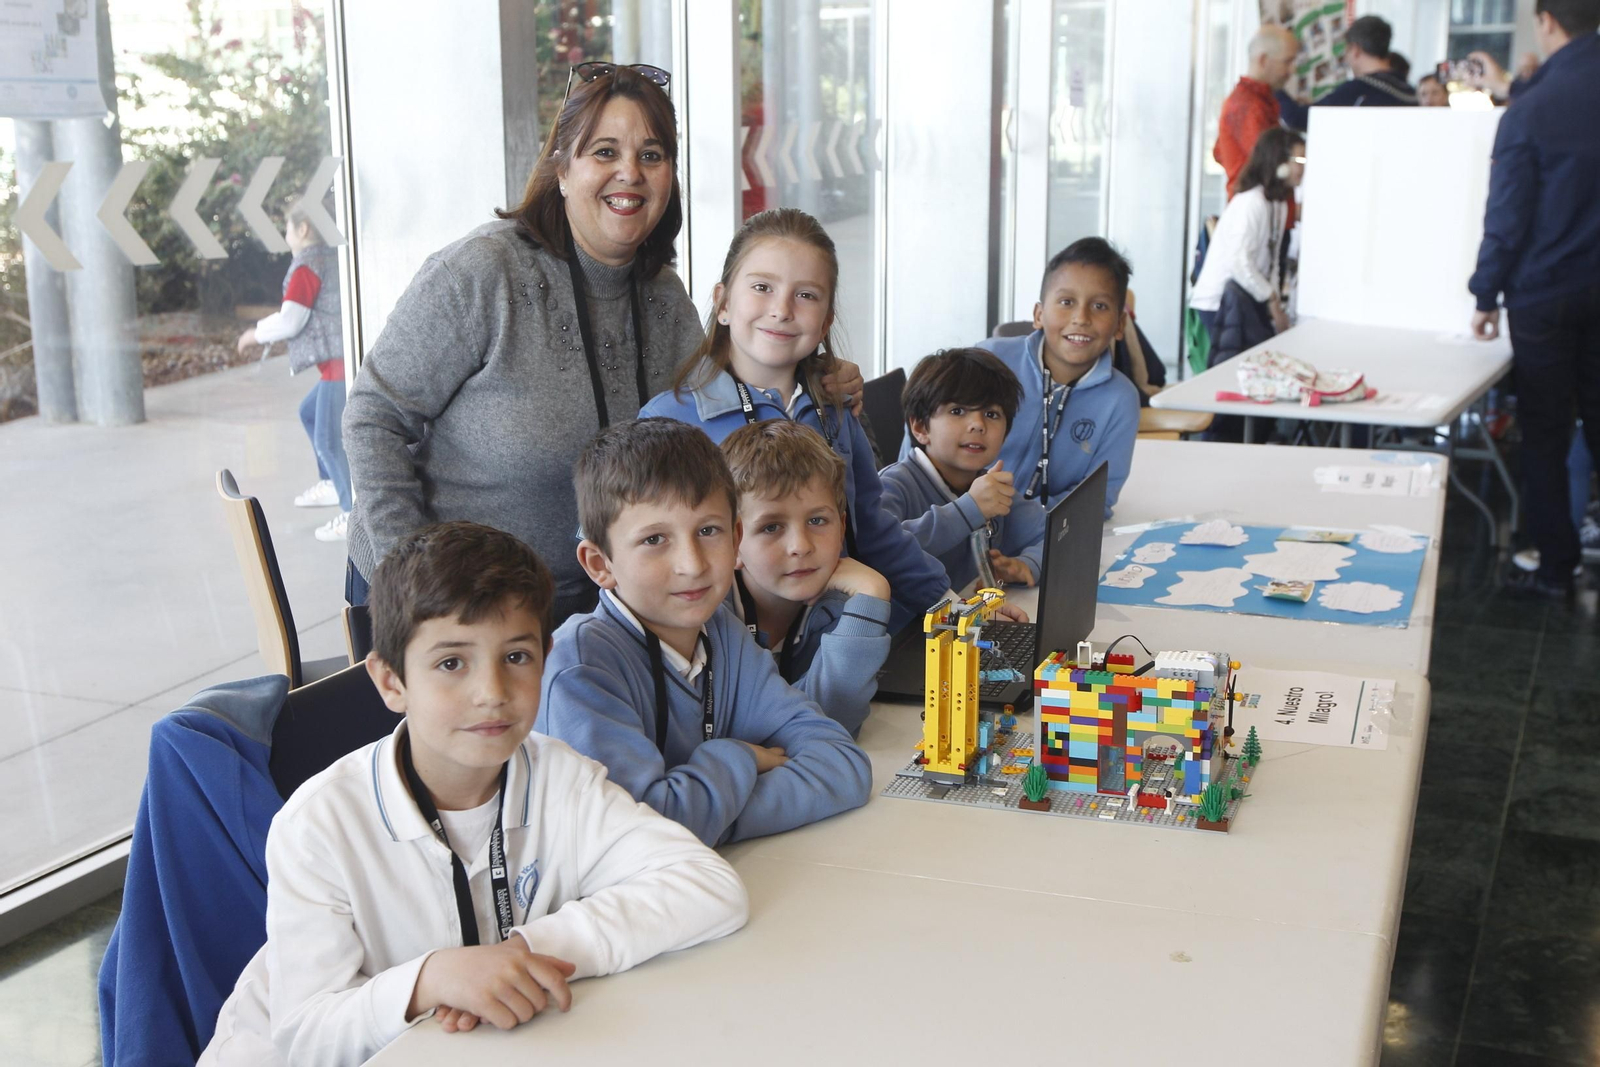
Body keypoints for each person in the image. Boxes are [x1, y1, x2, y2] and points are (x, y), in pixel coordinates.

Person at [200, 521, 748, 1066]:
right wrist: (431, 979)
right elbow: (306, 1039)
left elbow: (709, 887)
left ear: (544, 656)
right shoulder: (318, 825)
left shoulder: (561, 778)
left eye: (516, 657)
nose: (492, 694)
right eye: (451, 663)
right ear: (392, 682)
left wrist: (523, 954)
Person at [341, 65, 861, 622]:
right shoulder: (482, 273)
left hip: (604, 606)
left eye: (652, 155)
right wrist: (412, 582)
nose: (630, 174)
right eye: (605, 151)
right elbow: (374, 417)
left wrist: (818, 373)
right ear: (562, 167)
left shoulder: (662, 294)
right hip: (453, 605)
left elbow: (734, 386)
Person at [537, 418, 872, 846]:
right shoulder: (581, 668)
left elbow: (844, 767)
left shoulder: (722, 635)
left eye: (708, 531)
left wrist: (696, 817)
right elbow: (633, 836)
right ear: (600, 564)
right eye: (655, 539)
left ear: (735, 539)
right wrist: (738, 756)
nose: (692, 564)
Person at [639, 207, 948, 633]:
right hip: (728, 664)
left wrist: (952, 610)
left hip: (844, 643)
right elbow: (639, 561)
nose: (782, 309)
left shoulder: (836, 410)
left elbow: (873, 529)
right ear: (724, 303)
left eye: (806, 295)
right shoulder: (667, 423)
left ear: (825, 324)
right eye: (763, 287)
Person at [1468, 0, 1600, 598]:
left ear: (1547, 21)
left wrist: (1485, 292)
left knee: (1544, 432)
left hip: (1544, 295)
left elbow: (1508, 217)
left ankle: (1555, 567)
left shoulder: (1531, 110)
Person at [720, 420, 892, 737]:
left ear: (841, 528)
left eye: (817, 520)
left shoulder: (844, 605)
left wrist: (872, 595)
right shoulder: (712, 620)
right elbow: (792, 731)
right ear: (733, 543)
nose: (800, 546)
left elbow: (838, 723)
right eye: (771, 527)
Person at [962, 238, 1141, 519]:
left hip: (1043, 540)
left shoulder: (1120, 400)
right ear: (1039, 314)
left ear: (1120, 325)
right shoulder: (989, 360)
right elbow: (929, 445)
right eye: (1066, 302)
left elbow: (1097, 498)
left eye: (1099, 306)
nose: (1081, 318)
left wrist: (1026, 532)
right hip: (960, 520)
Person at [879, 348, 1046, 595]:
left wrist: (1026, 566)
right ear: (920, 427)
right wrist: (969, 509)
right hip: (911, 630)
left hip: (969, 621)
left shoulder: (988, 486)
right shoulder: (893, 486)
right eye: (957, 411)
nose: (978, 424)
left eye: (991, 414)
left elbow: (1058, 535)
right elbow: (883, 552)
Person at [236, 203, 349, 542]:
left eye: (287, 229)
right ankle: (331, 482)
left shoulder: (307, 265)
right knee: (309, 413)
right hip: (337, 361)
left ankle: (352, 512)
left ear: (303, 230)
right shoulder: (327, 257)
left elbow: (291, 320)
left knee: (330, 440)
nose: (286, 237)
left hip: (339, 366)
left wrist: (253, 335)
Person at [1190, 127, 1304, 348]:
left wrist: (1276, 307)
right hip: (1219, 302)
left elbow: (1272, 263)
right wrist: (1272, 301)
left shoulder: (1278, 205)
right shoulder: (1252, 202)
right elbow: (1239, 263)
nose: (1302, 167)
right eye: (1298, 158)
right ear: (1279, 161)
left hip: (1247, 299)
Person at [1214, 24, 1301, 199]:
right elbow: (1270, 167)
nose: (1292, 71)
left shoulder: (1258, 100)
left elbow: (1219, 152)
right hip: (1258, 212)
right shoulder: (1247, 106)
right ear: (1263, 60)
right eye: (1287, 62)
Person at [1315, 16, 1417, 106]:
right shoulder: (1410, 92)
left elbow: (1307, 117)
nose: (1346, 59)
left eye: (1347, 51)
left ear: (1356, 50)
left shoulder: (1357, 91)